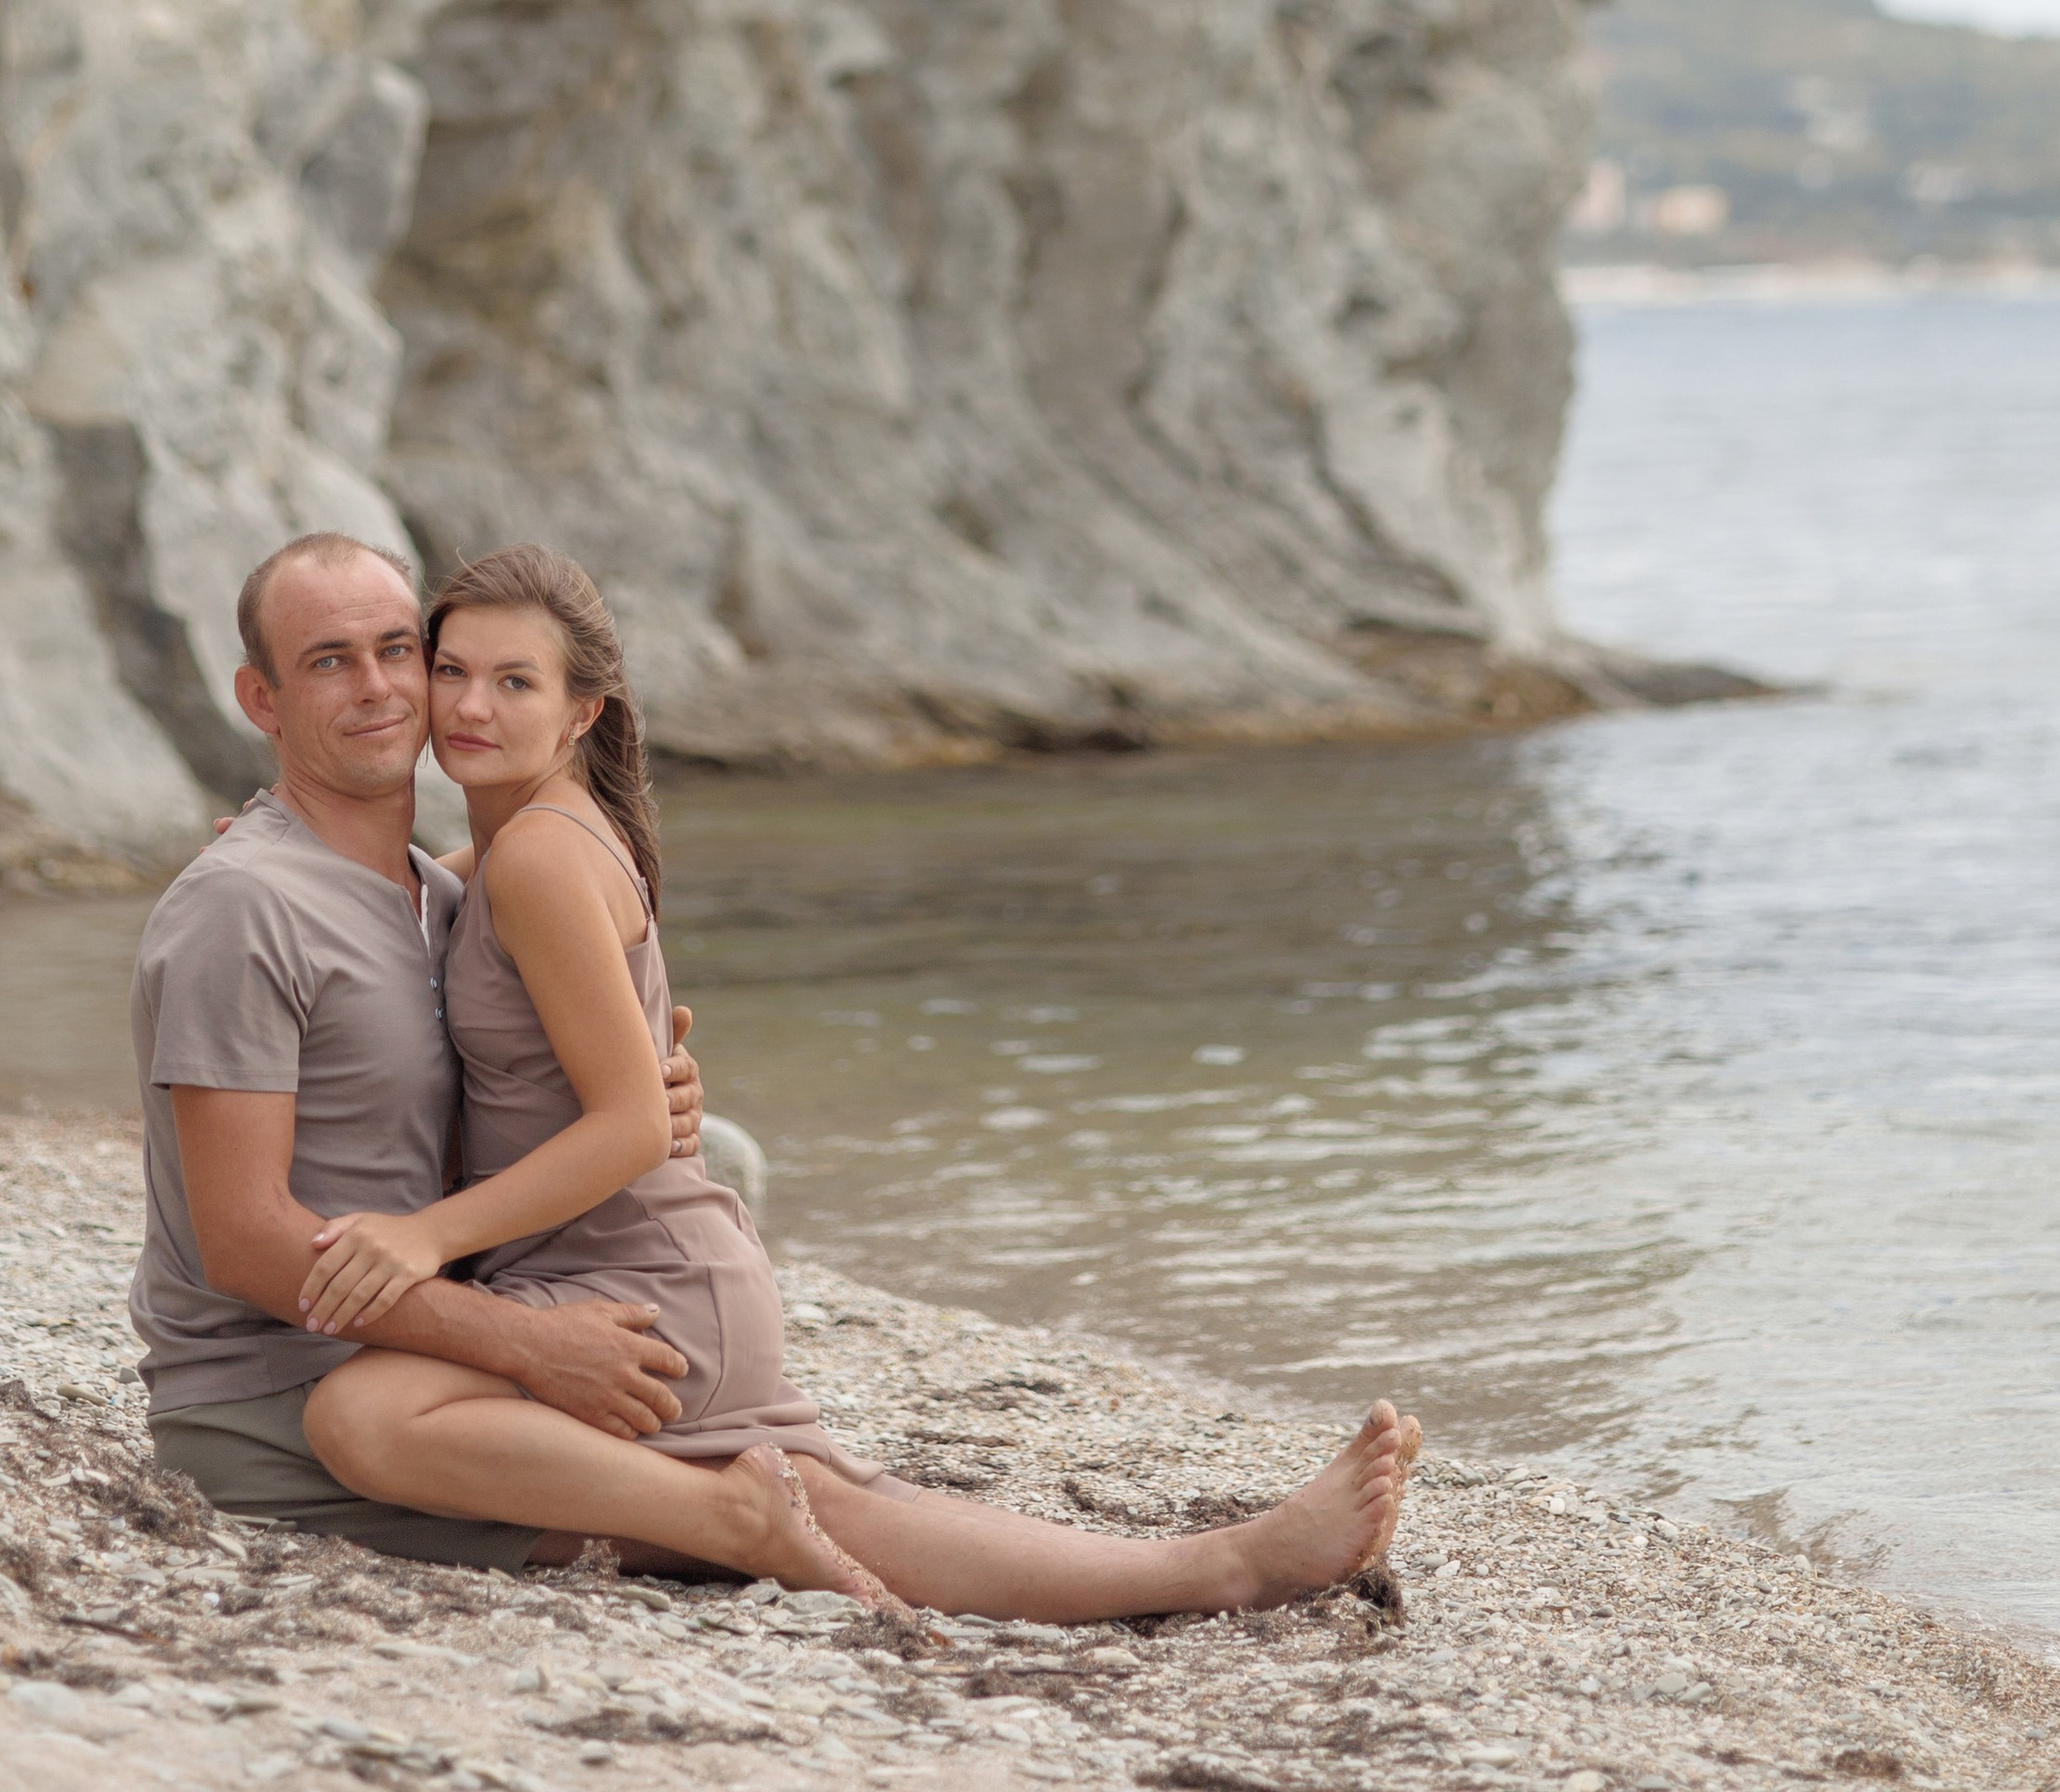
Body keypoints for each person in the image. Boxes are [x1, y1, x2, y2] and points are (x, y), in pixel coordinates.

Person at [291, 543, 1423, 1616]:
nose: (471, 706)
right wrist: (287, 850)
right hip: (635, 1264)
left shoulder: (539, 851)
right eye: (452, 671)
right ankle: (1222, 1564)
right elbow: (411, 908)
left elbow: (634, 1123)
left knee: (365, 1418)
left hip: (637, 1279)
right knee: (841, 1509)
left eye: (515, 682)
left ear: (582, 711)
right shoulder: (508, 849)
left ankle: (1213, 1562)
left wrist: (425, 1237)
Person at [127, 531, 711, 1568]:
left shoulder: (440, 896)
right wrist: (529, 1344)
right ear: (262, 701)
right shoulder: (240, 905)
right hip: (282, 1404)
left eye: (399, 651)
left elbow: (507, 1077)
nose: (378, 687)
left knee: (814, 1491)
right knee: (771, 1510)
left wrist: (638, 1092)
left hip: (424, 1359)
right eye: (328, 661)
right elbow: (247, 1243)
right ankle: (752, 1521)